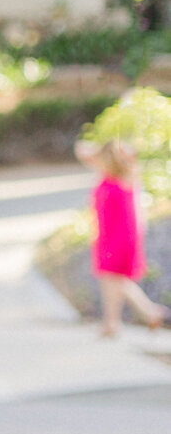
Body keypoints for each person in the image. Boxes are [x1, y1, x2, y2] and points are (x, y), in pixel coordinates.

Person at [76, 138, 169, 336]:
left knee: (114, 279)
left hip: (119, 238)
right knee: (112, 280)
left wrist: (121, 150)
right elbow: (82, 151)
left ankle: (140, 315)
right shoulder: (108, 176)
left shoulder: (125, 179)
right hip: (107, 237)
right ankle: (119, 321)